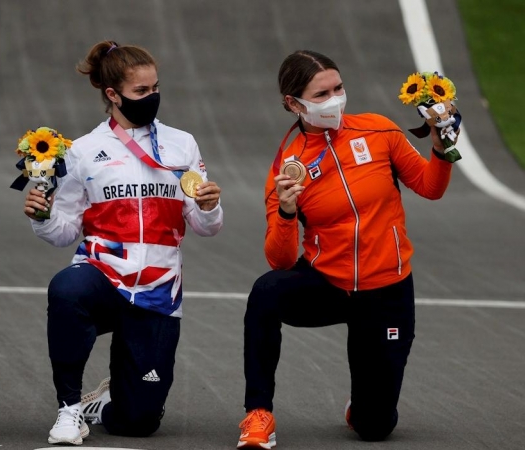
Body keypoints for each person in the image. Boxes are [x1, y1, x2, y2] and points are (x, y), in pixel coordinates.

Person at [237, 50, 458, 449]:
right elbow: (281, 259)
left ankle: (363, 405)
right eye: (322, 94)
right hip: (328, 284)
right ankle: (258, 415)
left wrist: (441, 148)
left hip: (387, 289)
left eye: (339, 88)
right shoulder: (287, 167)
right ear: (294, 103)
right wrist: (287, 211)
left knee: (375, 427)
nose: (336, 99)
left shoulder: (378, 131)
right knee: (267, 292)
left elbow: (430, 187)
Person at [23, 40, 223, 445]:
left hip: (158, 287)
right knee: (66, 290)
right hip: (102, 274)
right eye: (141, 91)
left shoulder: (181, 144)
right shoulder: (82, 151)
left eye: (155, 88)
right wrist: (43, 217)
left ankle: (108, 400)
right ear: (112, 95)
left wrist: (209, 206)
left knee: (140, 422)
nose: (153, 97)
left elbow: (205, 226)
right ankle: (69, 409)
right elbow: (63, 231)